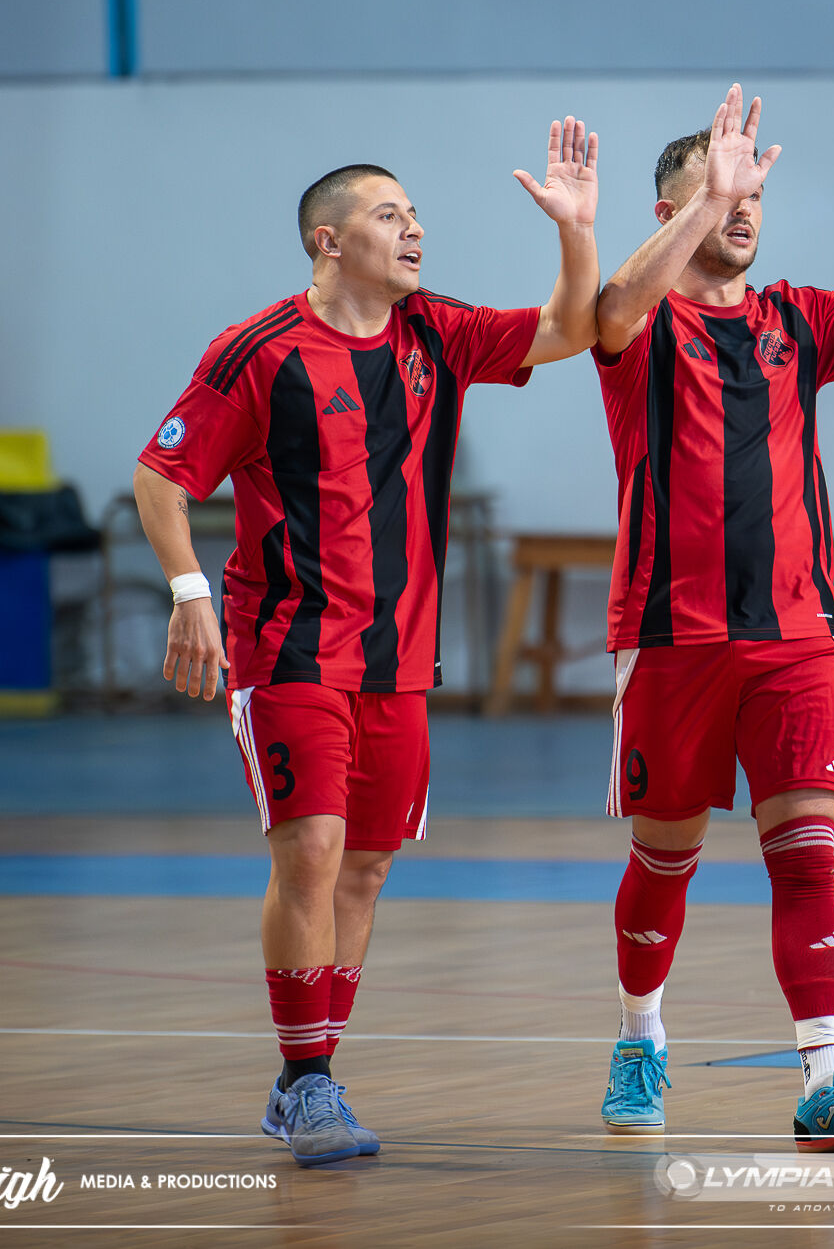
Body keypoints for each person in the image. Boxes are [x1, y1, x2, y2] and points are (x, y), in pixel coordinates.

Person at [132, 120, 602, 1165]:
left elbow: (572, 327)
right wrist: (188, 590)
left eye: (416, 214)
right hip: (287, 645)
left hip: (398, 658)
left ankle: (313, 1068)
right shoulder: (258, 352)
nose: (415, 230)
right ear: (326, 240)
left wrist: (576, 228)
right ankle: (308, 1084)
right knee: (311, 852)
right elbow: (161, 476)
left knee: (367, 871)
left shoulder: (435, 332)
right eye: (390, 215)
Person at [587, 84, 834, 1150]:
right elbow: (610, 309)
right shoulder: (637, 321)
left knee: (805, 853)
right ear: (670, 210)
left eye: (754, 187)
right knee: (664, 857)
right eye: (718, 187)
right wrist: (702, 201)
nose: (742, 202)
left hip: (796, 636)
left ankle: (823, 1075)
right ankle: (640, 1038)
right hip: (668, 637)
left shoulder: (796, 318)